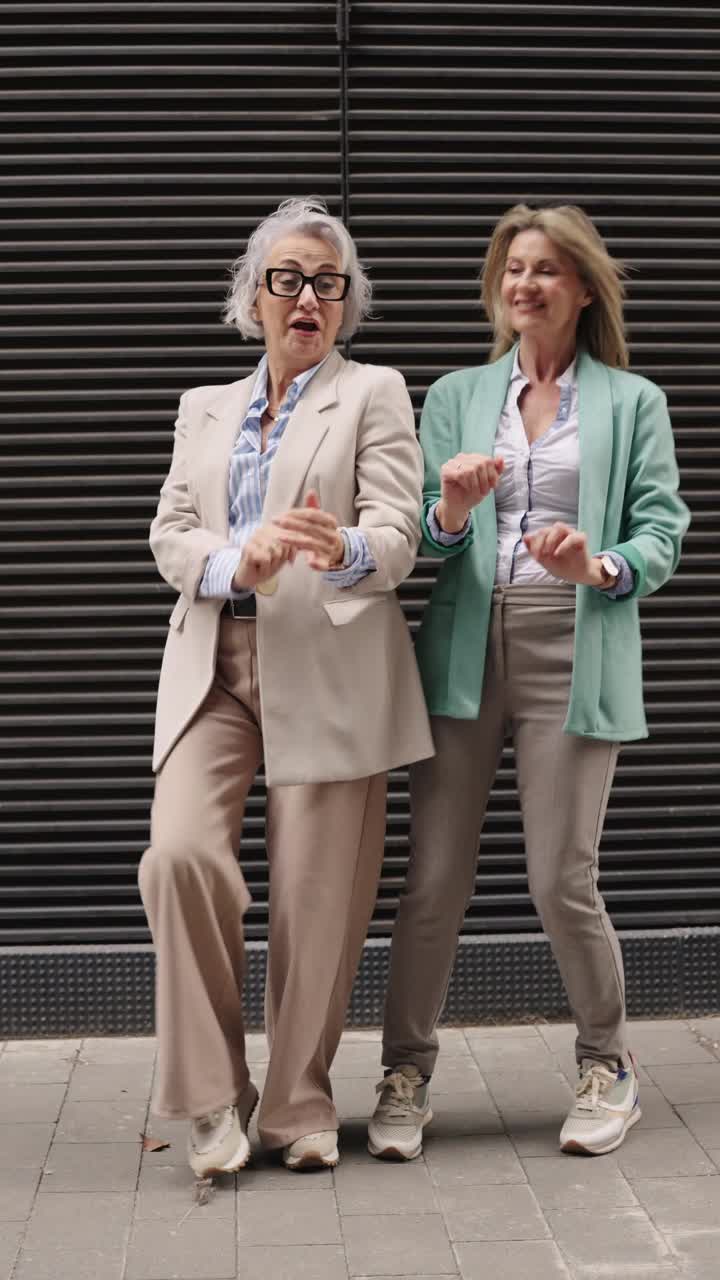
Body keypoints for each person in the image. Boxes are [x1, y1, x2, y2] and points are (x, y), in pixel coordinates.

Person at [368, 203, 690, 1161]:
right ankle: (405, 1072)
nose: (524, 285)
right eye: (513, 269)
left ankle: (608, 1064)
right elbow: (425, 526)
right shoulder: (459, 395)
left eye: (546, 269)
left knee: (560, 877)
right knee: (432, 880)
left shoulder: (632, 404)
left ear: (583, 287)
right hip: (466, 647)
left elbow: (663, 529)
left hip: (574, 644)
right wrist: (456, 509)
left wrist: (601, 565)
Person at [139, 197, 433, 1177]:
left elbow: (398, 531)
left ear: (345, 304)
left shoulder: (376, 391)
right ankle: (214, 1094)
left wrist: (339, 542)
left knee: (318, 895)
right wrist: (235, 562)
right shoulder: (203, 406)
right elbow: (172, 530)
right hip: (216, 659)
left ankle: (299, 1100)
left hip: (333, 660)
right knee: (178, 855)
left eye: (327, 282)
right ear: (253, 295)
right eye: (288, 277)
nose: (307, 296)